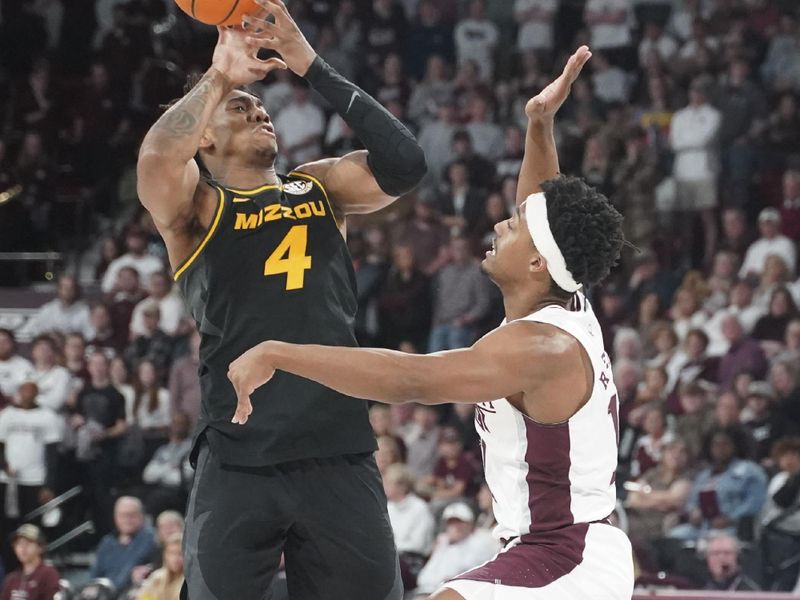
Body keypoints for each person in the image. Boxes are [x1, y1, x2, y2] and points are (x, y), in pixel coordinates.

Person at [229, 47, 635, 600]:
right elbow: (543, 209)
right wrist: (539, 126)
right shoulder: (563, 299)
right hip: (554, 550)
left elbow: (410, 380)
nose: (500, 220)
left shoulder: (543, 348)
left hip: (566, 555)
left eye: (513, 227)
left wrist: (281, 353)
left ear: (538, 263)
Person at [135, 1, 426, 597]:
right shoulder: (198, 209)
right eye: (242, 111)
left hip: (337, 444)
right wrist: (219, 78)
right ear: (205, 137)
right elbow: (157, 160)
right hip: (240, 451)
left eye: (261, 106)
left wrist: (309, 62)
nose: (259, 111)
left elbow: (406, 163)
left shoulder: (321, 186)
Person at [90, 496, 158, 594]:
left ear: (141, 516)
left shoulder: (151, 539)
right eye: (123, 515)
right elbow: (94, 575)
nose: (127, 520)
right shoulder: (107, 543)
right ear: (115, 517)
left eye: (132, 515)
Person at [0, 524, 60, 600]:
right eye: (18, 543)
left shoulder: (49, 574)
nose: (23, 547)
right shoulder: (11, 579)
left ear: (40, 547)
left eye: (28, 542)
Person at [136, 533, 184, 600]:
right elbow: (142, 596)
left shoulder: (190, 582)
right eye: (171, 553)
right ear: (165, 555)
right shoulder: (157, 577)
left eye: (180, 554)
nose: (175, 559)